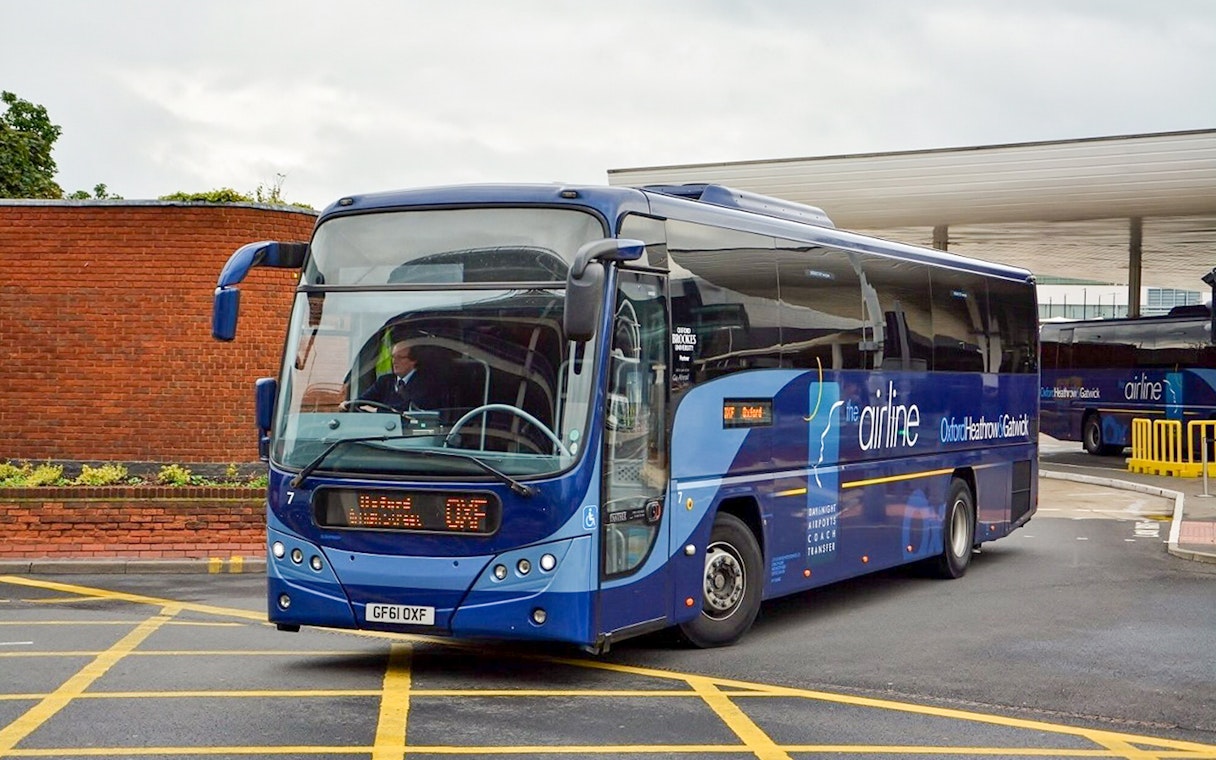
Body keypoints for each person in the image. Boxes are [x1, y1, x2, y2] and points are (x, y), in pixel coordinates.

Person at [341, 342, 443, 412]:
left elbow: (411, 408)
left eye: (400, 357)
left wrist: (377, 410)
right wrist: (349, 404)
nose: (394, 361)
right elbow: (363, 400)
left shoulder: (426, 382)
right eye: (393, 357)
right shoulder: (385, 381)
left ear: (413, 360)